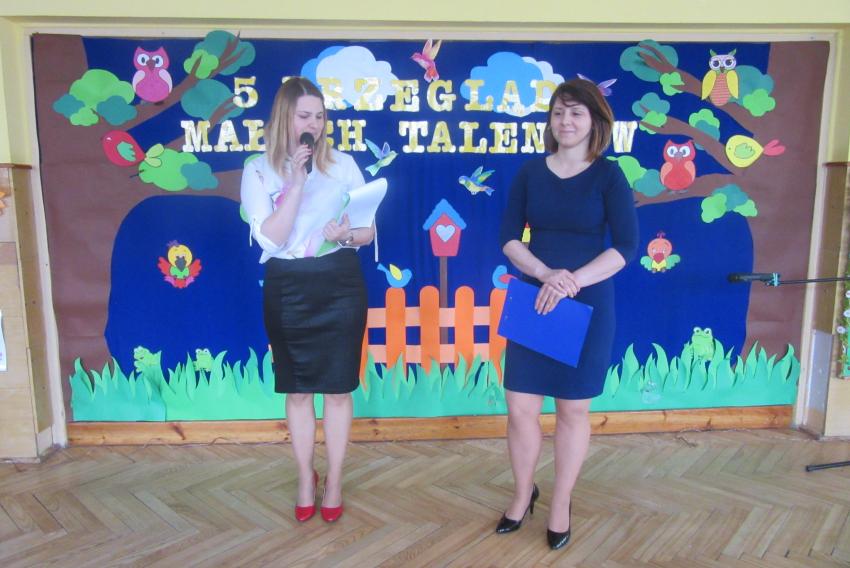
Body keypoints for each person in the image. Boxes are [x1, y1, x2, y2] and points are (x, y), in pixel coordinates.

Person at [496, 78, 638, 550]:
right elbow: (508, 238)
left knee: (573, 410)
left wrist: (571, 281)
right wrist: (545, 274)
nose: (566, 121)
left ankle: (561, 503)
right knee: (520, 408)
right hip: (534, 300)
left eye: (576, 113)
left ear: (595, 121)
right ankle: (523, 495)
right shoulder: (529, 173)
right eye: (558, 112)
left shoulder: (609, 176)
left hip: (587, 302)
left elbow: (626, 247)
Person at [240, 77, 373, 524]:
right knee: (297, 391)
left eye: (319, 116)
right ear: (285, 118)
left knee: (337, 389)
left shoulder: (344, 166)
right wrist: (296, 183)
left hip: (340, 281)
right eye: (304, 116)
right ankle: (304, 476)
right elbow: (272, 239)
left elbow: (367, 231)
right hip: (288, 285)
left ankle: (334, 480)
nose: (313, 124)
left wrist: (347, 234)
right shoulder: (258, 170)